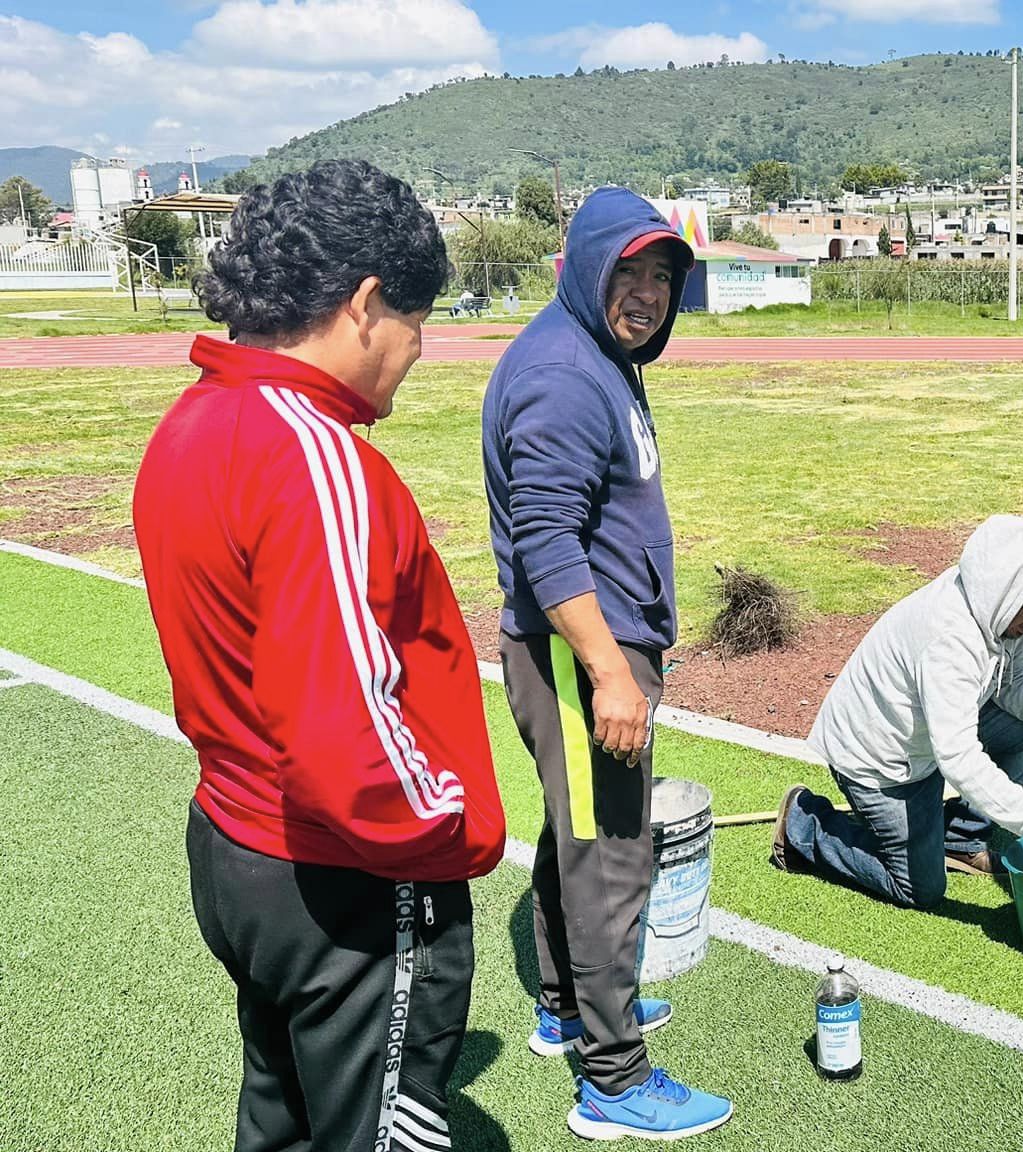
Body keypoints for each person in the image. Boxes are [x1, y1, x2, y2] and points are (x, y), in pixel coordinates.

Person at [132, 158, 507, 1152]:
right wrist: (453, 830)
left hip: (234, 844)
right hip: (345, 876)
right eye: (416, 323)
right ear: (365, 303)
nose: (418, 351)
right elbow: (342, 726)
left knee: (281, 1117)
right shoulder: (316, 455)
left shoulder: (192, 422)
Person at [483, 187, 732, 1141]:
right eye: (626, 271)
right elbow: (547, 540)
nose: (645, 293)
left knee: (576, 837)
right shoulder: (562, 374)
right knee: (612, 857)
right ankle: (615, 1081)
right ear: (585, 266)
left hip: (584, 645)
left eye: (661, 275)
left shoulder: (595, 352)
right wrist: (613, 675)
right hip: (583, 653)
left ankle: (564, 1009)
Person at [773, 515, 1023, 908]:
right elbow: (958, 758)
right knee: (919, 889)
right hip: (880, 764)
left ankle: (960, 838)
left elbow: (1011, 681)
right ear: (1007, 589)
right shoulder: (949, 638)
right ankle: (803, 825)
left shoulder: (995, 610)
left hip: (925, 745)